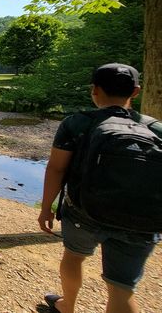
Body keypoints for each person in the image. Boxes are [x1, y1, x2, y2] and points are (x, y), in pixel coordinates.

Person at [38, 63, 161, 313]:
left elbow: (57, 169)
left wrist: (46, 208)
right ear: (135, 92)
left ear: (94, 90)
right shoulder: (155, 128)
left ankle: (67, 306)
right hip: (142, 219)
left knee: (74, 256)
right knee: (122, 287)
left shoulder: (77, 123)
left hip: (84, 212)